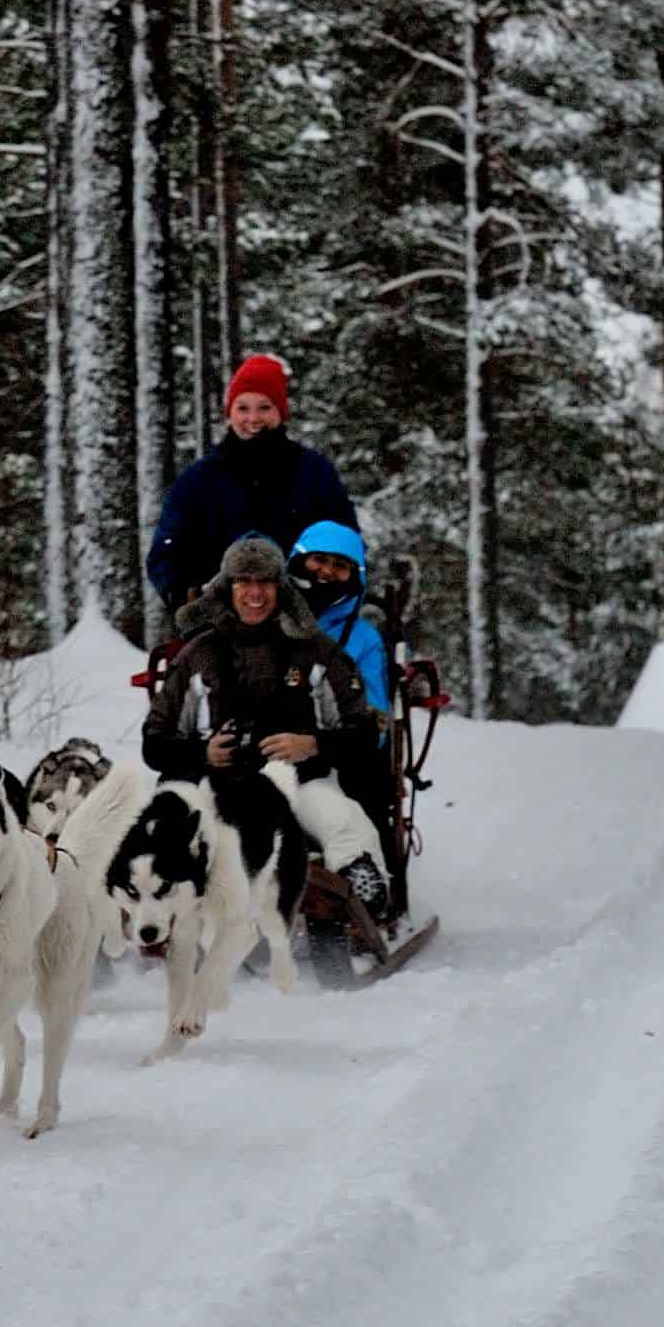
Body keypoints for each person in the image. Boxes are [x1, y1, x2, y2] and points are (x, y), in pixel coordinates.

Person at [139, 534, 393, 917]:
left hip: (298, 782)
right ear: (228, 588)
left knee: (345, 821)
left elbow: (364, 733)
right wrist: (200, 753)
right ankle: (159, 902)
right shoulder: (198, 655)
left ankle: (359, 892)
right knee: (170, 819)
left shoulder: (318, 652)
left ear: (281, 589)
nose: (255, 594)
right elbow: (155, 743)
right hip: (214, 783)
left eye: (265, 583)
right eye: (244, 582)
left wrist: (313, 745)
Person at [143, 353, 358, 630]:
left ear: (280, 412)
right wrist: (186, 592)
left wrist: (323, 585)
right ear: (229, 414)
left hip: (304, 617)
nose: (253, 419)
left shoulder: (314, 472)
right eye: (242, 408)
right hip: (220, 621)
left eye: (264, 407)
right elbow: (167, 552)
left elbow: (345, 541)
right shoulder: (198, 481)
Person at [289, 519, 390, 717]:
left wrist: (318, 744)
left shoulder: (364, 639)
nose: (327, 571)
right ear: (301, 559)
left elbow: (376, 722)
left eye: (340, 565)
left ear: (354, 575)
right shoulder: (266, 617)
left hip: (332, 744)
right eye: (319, 559)